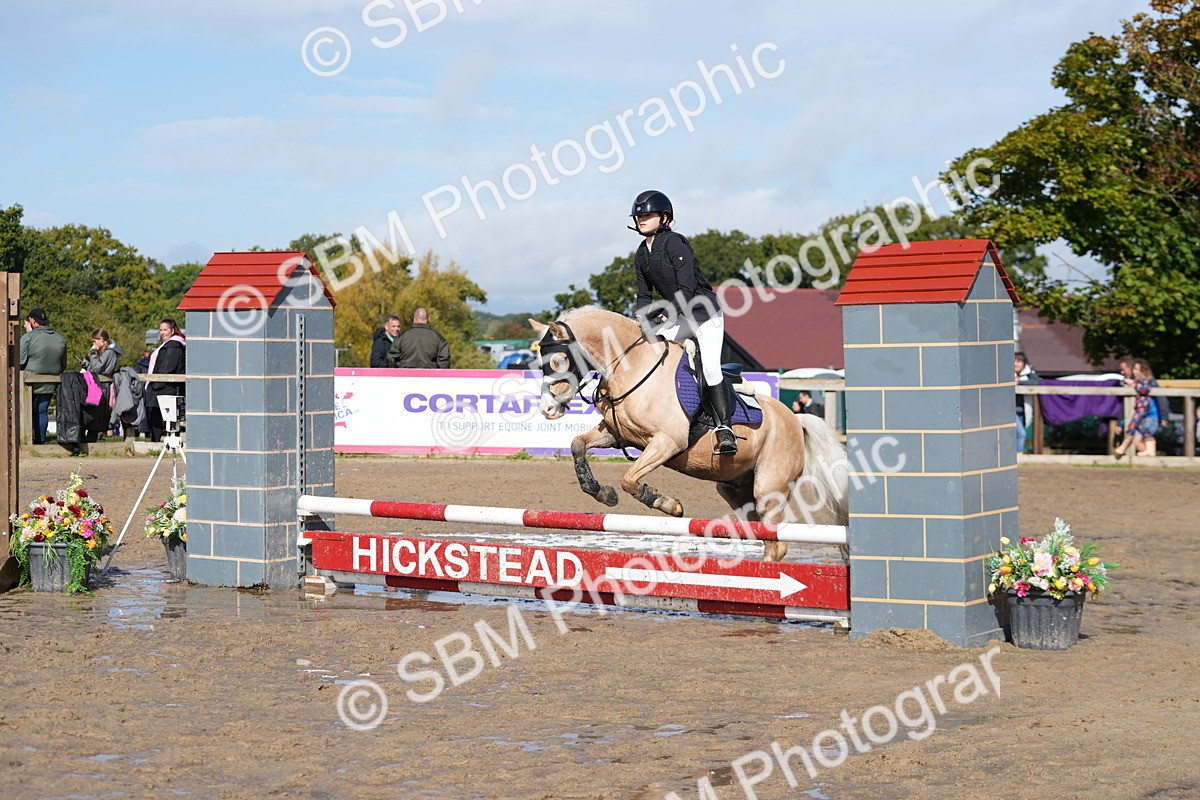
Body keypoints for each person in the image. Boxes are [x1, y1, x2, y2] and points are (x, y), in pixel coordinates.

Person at [629, 189, 737, 455]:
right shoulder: (642, 254)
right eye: (639, 215)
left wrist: (664, 316)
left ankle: (725, 429)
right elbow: (644, 296)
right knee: (651, 352)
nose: (642, 218)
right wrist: (639, 322)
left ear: (664, 217)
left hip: (703, 312)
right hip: (678, 314)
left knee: (711, 367)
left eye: (649, 214)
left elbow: (686, 291)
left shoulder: (676, 243)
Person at [18, 307, 67, 445]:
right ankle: (40, 441)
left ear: (33, 321)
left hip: (29, 383)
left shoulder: (28, 337)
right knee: (42, 411)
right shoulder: (60, 339)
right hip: (50, 383)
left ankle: (25, 441)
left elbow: (20, 362)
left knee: (26, 411)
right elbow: (63, 365)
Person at [144, 318, 186, 442]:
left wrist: (155, 385)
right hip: (163, 386)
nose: (162, 333)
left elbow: (167, 368)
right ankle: (160, 441)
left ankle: (161, 442)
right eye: (160, 330)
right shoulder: (169, 346)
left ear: (172, 330)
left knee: (165, 417)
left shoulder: (174, 347)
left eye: (165, 330)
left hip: (166, 387)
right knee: (161, 417)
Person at [1115, 358, 1160, 458]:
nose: (1135, 371)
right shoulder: (1137, 381)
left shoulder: (1148, 381)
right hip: (1141, 413)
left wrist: (1133, 384)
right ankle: (1149, 455)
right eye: (1134, 369)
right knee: (1137, 436)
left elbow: (1144, 389)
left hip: (1147, 413)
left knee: (1138, 429)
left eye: (1137, 369)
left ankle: (1123, 447)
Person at [84, 329, 124, 436]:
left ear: (101, 339)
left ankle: (93, 438)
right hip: (98, 383)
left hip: (102, 385)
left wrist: (92, 353)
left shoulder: (109, 352)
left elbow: (97, 368)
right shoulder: (104, 352)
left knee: (98, 415)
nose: (94, 344)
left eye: (94, 341)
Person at [1014, 351, 1039, 455]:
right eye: (1014, 361)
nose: (1015, 364)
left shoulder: (1029, 374)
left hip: (1024, 410)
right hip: (1011, 410)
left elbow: (1037, 382)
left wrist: (1020, 382)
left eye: (1018, 361)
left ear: (1024, 363)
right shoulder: (1005, 373)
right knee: (1022, 434)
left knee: (1018, 434)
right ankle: (1019, 456)